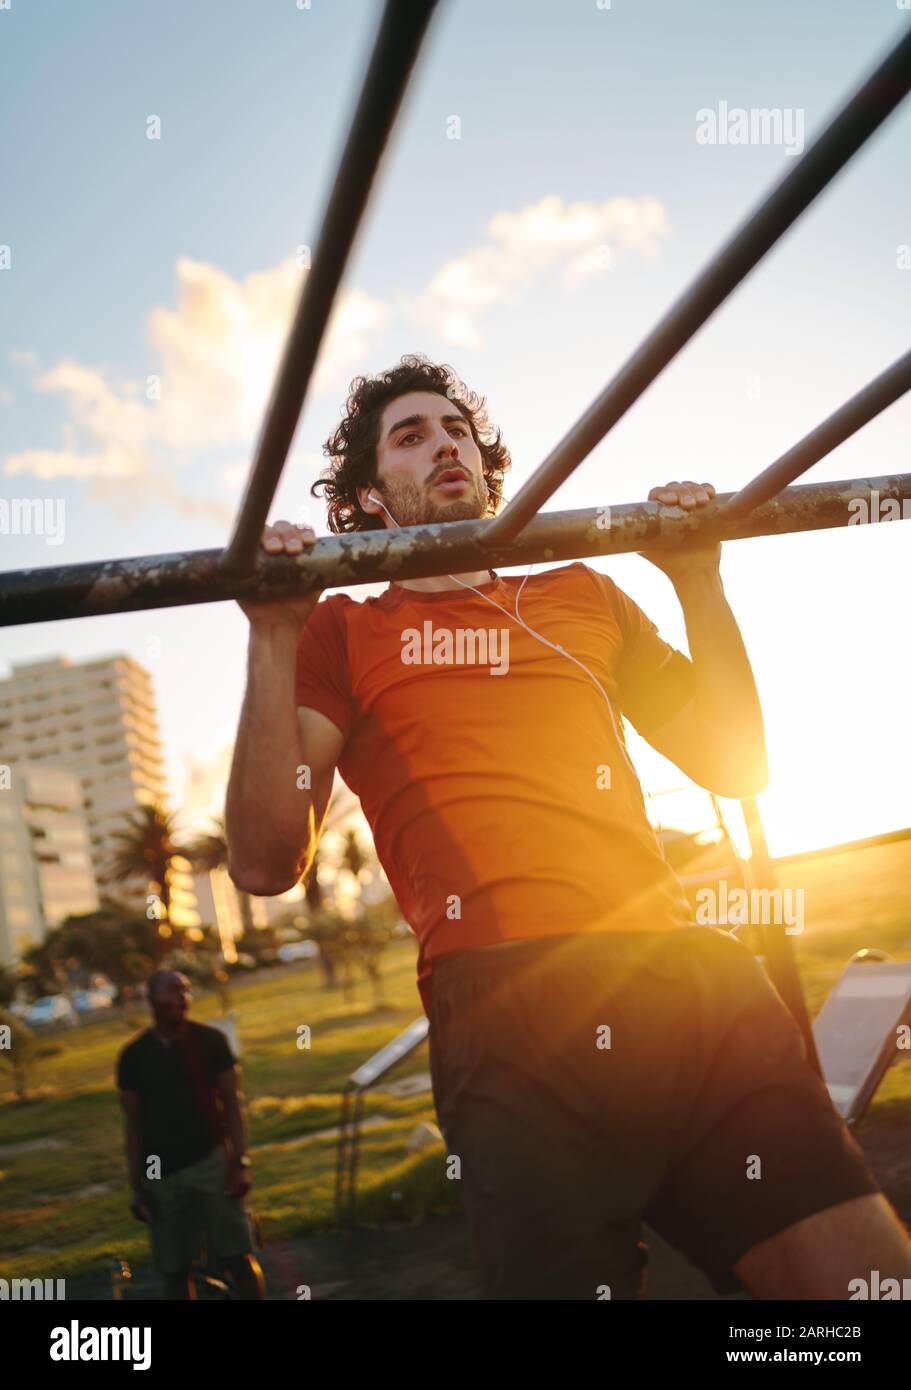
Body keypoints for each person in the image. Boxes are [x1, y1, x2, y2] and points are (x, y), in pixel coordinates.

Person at [226, 353, 911, 1300]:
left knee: (865, 1297)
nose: (444, 445)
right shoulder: (342, 632)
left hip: (687, 984)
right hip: (513, 1023)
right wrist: (272, 634)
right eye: (410, 437)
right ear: (369, 496)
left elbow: (734, 761)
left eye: (455, 428)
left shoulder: (581, 596)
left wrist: (696, 580)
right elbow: (265, 861)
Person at [117, 970, 265, 1299]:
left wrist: (239, 1161)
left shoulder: (210, 1041)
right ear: (152, 999)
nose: (181, 997)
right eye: (172, 991)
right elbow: (134, 1125)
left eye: (185, 991)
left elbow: (232, 1103)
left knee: (238, 1257)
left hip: (212, 1163)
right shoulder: (133, 1057)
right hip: (161, 1175)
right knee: (175, 1270)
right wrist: (136, 1185)